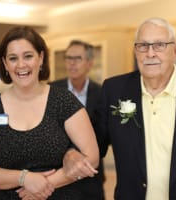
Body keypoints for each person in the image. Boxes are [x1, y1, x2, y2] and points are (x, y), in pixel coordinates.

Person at [63, 17, 176, 200]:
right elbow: (94, 139)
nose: (150, 53)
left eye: (159, 45)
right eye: (142, 46)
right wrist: (71, 152)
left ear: (175, 51)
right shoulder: (115, 90)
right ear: (136, 51)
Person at [0, 26, 99, 200]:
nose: (21, 65)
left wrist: (45, 185)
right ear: (5, 64)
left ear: (41, 57)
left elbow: (91, 158)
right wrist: (25, 178)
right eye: (13, 58)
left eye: (28, 56)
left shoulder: (63, 101)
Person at [50, 40, 106, 200]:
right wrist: (68, 152)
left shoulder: (102, 93)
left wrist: (82, 155)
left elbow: (102, 134)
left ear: (89, 63)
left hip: (91, 175)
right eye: (68, 58)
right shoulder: (51, 91)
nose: (72, 63)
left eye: (77, 58)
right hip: (58, 173)